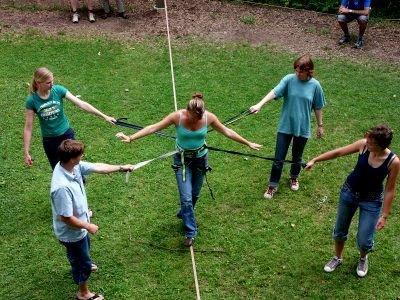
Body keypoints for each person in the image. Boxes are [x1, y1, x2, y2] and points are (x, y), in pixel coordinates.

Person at [116, 92, 262, 246]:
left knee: (194, 195)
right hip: (182, 161)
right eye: (194, 117)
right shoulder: (177, 117)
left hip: (200, 160)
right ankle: (190, 232)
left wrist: (248, 143)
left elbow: (227, 131)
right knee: (186, 198)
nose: (197, 120)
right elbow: (153, 127)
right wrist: (131, 137)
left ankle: (185, 213)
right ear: (187, 112)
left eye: (199, 118)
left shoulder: (208, 117)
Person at [305, 124, 399, 277]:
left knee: (364, 240)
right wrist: (315, 160)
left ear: (382, 146)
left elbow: (390, 189)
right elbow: (339, 152)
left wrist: (385, 215)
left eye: (371, 142)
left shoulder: (393, 162)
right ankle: (337, 257)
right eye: (368, 138)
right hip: (349, 193)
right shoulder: (363, 145)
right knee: (340, 230)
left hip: (372, 201)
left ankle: (363, 258)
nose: (367, 142)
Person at [51, 139, 134, 300]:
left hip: (79, 228)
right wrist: (88, 226)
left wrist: (121, 167)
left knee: (81, 253)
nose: (83, 156)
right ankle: (83, 293)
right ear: (73, 158)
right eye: (81, 154)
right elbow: (66, 218)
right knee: (81, 261)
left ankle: (82, 263)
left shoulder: (70, 167)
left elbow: (97, 167)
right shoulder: (61, 187)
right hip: (72, 232)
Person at [249, 55, 325, 199]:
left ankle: (294, 177)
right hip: (285, 126)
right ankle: (272, 185)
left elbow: (318, 107)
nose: (297, 74)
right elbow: (275, 91)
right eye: (296, 70)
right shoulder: (289, 79)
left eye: (300, 71)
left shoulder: (315, 86)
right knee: (278, 158)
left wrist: (320, 125)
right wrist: (259, 104)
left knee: (297, 156)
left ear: (309, 71)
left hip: (302, 127)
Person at [24, 67, 116, 170]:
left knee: (76, 166)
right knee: (59, 170)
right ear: (38, 83)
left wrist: (105, 116)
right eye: (48, 82)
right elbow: (28, 127)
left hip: (66, 136)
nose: (52, 84)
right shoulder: (32, 101)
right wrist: (26, 152)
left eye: (52, 81)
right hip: (50, 141)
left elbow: (81, 104)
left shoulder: (58, 90)